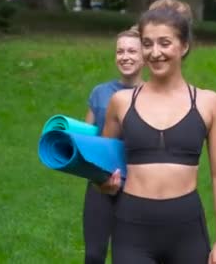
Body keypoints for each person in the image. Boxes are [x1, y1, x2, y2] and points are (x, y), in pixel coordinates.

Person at [99, 1, 216, 264]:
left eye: (164, 43)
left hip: (186, 229)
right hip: (132, 228)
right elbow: (101, 162)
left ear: (183, 46)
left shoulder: (209, 103)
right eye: (147, 44)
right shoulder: (122, 102)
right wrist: (101, 181)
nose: (155, 52)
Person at [82, 27, 144, 264]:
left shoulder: (151, 94)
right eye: (120, 51)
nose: (125, 56)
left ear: (144, 56)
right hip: (99, 183)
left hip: (136, 187)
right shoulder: (100, 93)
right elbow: (87, 136)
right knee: (93, 255)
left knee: (127, 256)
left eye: (132, 51)